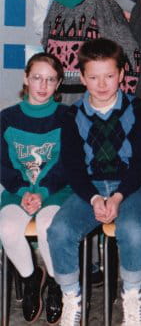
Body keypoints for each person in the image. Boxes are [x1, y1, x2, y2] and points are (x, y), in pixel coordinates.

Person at [48, 39, 141, 326]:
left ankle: (132, 296)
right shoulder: (72, 115)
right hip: (90, 188)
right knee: (59, 230)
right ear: (82, 78)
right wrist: (94, 198)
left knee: (133, 230)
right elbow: (72, 167)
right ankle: (71, 297)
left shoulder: (139, 110)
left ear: (121, 74)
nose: (102, 84)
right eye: (94, 77)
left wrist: (118, 196)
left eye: (109, 76)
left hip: (132, 186)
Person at [0, 53, 70, 324]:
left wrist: (41, 192)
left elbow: (68, 164)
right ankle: (31, 279)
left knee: (47, 226)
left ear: (59, 84)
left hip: (56, 190)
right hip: (18, 191)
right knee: (6, 229)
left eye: (50, 80)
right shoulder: (7, 118)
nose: (43, 85)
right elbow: (2, 164)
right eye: (37, 77)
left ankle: (55, 282)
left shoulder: (68, 117)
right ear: (26, 78)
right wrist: (22, 191)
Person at [41, 0, 140, 104]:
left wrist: (123, 100)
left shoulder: (100, 1)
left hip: (92, 97)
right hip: (57, 95)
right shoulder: (56, 2)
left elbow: (129, 50)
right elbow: (47, 47)